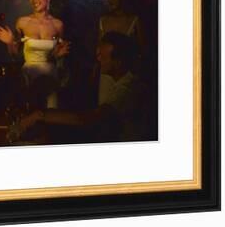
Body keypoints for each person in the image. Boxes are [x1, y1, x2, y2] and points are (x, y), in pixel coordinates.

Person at [18, 31, 152, 143]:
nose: (98, 60)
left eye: (102, 57)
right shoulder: (117, 81)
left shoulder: (128, 89)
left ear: (118, 62)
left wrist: (40, 115)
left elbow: (86, 119)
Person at [0, 0, 70, 108]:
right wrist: (10, 43)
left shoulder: (58, 25)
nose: (34, 0)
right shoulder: (22, 22)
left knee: (51, 114)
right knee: (29, 113)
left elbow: (60, 57)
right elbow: (15, 55)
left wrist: (58, 56)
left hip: (50, 76)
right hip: (29, 75)